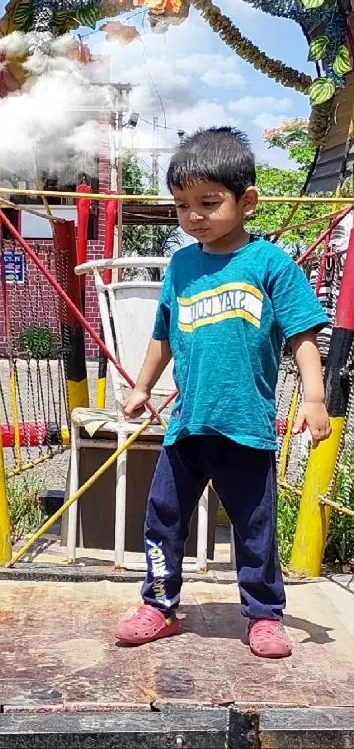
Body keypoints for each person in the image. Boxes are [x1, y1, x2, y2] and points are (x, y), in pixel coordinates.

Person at [115, 127, 331, 658]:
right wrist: (142, 386)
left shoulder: (270, 265)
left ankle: (263, 616)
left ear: (246, 201)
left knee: (254, 527)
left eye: (209, 203)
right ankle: (159, 605)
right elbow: (163, 335)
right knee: (162, 517)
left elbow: (302, 333)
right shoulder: (183, 266)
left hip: (247, 426)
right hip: (187, 425)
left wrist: (315, 398)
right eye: (183, 206)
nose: (194, 217)